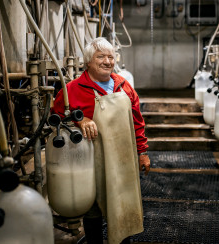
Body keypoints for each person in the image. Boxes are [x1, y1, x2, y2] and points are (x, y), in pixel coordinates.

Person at [52, 37, 150, 244]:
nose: (107, 61)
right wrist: (80, 120)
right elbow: (57, 116)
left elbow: (137, 123)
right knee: (93, 207)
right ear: (88, 61)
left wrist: (142, 152)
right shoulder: (72, 89)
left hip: (123, 160)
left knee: (123, 202)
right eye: (101, 57)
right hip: (92, 160)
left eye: (110, 57)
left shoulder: (124, 86)